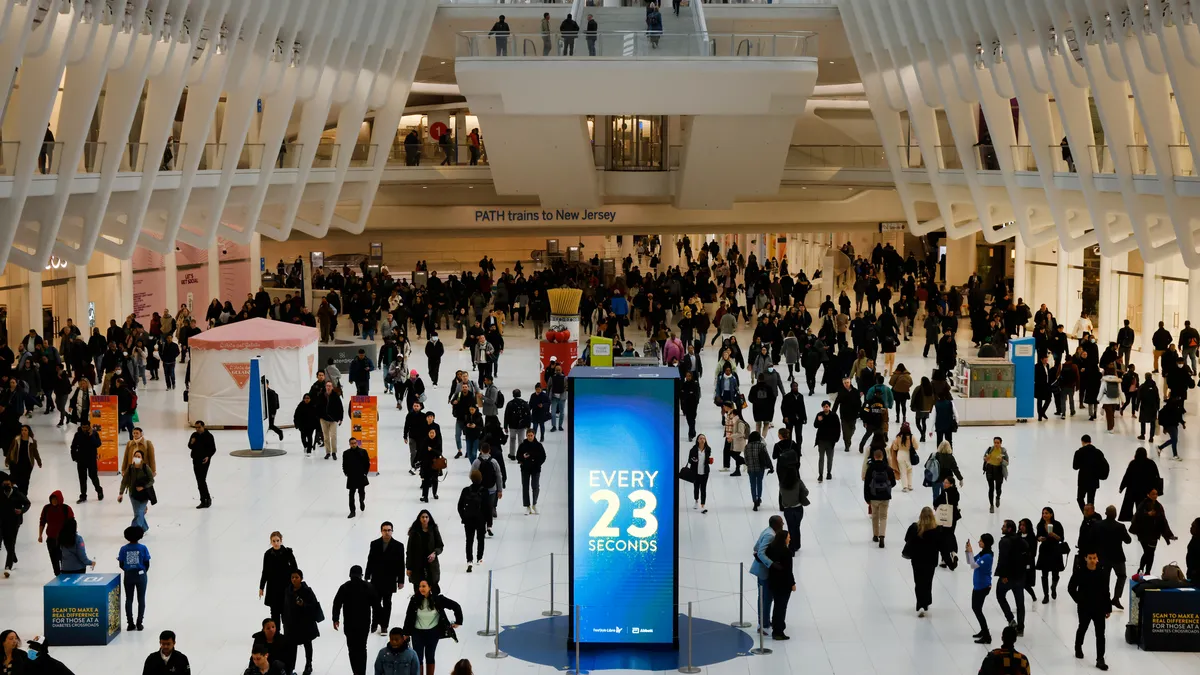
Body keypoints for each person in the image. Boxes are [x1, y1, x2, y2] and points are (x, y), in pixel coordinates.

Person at [402, 579, 463, 675]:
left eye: (423, 586)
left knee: (430, 656)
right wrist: (406, 633)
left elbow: (456, 606)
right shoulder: (414, 599)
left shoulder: (438, 599)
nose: (421, 589)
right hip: (417, 633)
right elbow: (409, 616)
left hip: (433, 633)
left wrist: (458, 621)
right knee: (418, 657)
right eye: (420, 586)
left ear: (430, 587)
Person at [333, 565, 379, 675]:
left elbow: (337, 603)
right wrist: (374, 623)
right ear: (361, 575)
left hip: (349, 625)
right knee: (362, 649)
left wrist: (335, 619)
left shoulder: (344, 587)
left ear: (350, 575)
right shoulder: (368, 587)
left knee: (352, 650)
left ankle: (356, 672)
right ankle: (361, 672)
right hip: (364, 624)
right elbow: (376, 607)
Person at [1068, 551, 1110, 670]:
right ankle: (1078, 646)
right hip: (1085, 607)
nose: (1092, 560)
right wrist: (1079, 600)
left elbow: (1106, 591)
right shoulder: (1079, 572)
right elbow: (1071, 588)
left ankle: (1100, 659)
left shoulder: (1102, 573)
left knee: (1100, 634)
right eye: (1090, 558)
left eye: (1094, 558)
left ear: (1097, 559)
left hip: (1099, 607)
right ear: (1085, 558)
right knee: (1083, 627)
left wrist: (1108, 608)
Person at [365, 522, 406, 636]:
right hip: (376, 579)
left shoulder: (398, 545)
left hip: (390, 579)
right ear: (381, 531)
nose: (387, 532)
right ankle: (374, 623)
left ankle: (384, 626)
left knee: (387, 603)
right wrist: (367, 575)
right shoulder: (374, 544)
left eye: (389, 530)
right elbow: (370, 560)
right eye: (385, 530)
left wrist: (401, 580)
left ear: (392, 531)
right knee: (375, 602)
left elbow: (401, 564)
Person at [902, 506, 942, 617]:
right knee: (928, 582)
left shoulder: (914, 528)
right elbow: (941, 544)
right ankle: (926, 602)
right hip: (931, 560)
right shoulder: (937, 530)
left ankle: (920, 602)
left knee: (918, 582)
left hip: (917, 560)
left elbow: (906, 539)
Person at [283, 570, 322, 675]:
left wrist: (303, 605)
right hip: (291, 623)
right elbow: (285, 607)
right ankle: (290, 667)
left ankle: (308, 664)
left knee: (307, 644)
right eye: (292, 577)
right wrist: (285, 621)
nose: (294, 579)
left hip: (305, 623)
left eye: (296, 577)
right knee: (292, 646)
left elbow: (314, 606)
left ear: (301, 578)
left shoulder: (307, 591)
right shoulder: (288, 591)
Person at [1130, 489, 1177, 574]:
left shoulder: (1159, 506)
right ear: (1148, 494)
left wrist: (1169, 535)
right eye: (1153, 494)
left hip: (1154, 534)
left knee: (1150, 553)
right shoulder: (1143, 504)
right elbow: (1138, 516)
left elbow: (1163, 521)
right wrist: (1147, 514)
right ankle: (1143, 569)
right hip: (1143, 533)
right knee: (1148, 552)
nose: (1155, 496)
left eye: (1156, 494)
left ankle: (1146, 571)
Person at [749, 516, 783, 633]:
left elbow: (755, 548)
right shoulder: (770, 535)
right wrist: (772, 564)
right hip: (764, 572)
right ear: (776, 524)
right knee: (766, 598)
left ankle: (764, 621)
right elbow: (760, 553)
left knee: (764, 597)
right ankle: (763, 624)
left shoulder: (767, 530)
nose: (783, 525)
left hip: (763, 571)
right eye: (781, 523)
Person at [994, 519, 1027, 635]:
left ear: (1009, 529)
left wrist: (1002, 575)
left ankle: (1011, 620)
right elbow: (1027, 552)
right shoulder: (1021, 540)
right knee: (1020, 603)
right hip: (1019, 576)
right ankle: (1021, 627)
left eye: (1003, 526)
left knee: (1000, 595)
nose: (1001, 528)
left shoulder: (1004, 542)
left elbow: (1002, 559)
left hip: (1007, 577)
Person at [258, 531, 299, 626]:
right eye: (273, 541)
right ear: (270, 541)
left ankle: (287, 636)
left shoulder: (288, 553)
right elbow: (265, 572)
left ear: (281, 541)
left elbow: (295, 569)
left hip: (286, 587)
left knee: (287, 613)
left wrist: (296, 584)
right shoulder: (267, 554)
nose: (276, 543)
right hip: (273, 588)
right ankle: (276, 636)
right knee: (274, 613)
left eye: (277, 540)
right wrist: (261, 587)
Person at [117, 525, 151, 630]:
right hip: (141, 575)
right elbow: (147, 563)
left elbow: (121, 564)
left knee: (129, 599)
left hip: (128, 575)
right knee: (141, 599)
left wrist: (128, 570)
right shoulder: (143, 548)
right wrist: (143, 571)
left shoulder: (123, 549)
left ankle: (130, 623)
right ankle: (139, 622)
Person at [775, 438, 807, 551]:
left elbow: (782, 495)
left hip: (788, 508)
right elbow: (806, 492)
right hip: (798, 508)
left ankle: (791, 544)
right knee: (797, 527)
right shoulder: (798, 482)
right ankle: (797, 544)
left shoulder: (782, 484)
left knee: (790, 527)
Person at [1097, 505, 1131, 609]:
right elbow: (1128, 540)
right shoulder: (1120, 526)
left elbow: (1093, 538)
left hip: (1103, 557)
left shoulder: (1098, 525)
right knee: (1121, 576)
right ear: (1115, 514)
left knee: (1104, 579)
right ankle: (1116, 598)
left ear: (1105, 513)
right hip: (1118, 557)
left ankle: (1104, 600)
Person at [862, 446, 895, 547]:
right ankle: (882, 536)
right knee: (883, 517)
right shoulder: (888, 468)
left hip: (873, 496)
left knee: (875, 516)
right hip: (885, 496)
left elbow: (866, 484)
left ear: (874, 457)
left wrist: (867, 498)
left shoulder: (870, 469)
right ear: (882, 456)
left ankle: (875, 535)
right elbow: (893, 483)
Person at [966, 533, 995, 643]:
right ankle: (984, 630)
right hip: (978, 585)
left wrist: (970, 551)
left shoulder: (987, 556)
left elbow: (973, 565)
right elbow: (970, 561)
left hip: (982, 586)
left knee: (977, 609)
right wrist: (968, 551)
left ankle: (987, 635)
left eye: (981, 541)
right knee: (977, 608)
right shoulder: (983, 553)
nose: (979, 542)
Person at [1117, 447, 1161, 522]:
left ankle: (1133, 521)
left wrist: (1122, 487)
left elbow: (1127, 476)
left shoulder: (1133, 463)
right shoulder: (1151, 463)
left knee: (1130, 507)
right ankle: (1141, 521)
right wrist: (1157, 489)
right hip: (1146, 491)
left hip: (1133, 490)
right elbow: (1156, 477)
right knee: (1143, 507)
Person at [766, 532, 795, 640]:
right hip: (784, 584)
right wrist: (793, 583)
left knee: (777, 606)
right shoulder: (786, 552)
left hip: (773, 582)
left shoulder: (770, 549)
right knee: (781, 608)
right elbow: (788, 571)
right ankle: (778, 631)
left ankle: (776, 627)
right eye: (788, 537)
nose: (790, 539)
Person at [470, 444, 505, 535]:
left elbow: (471, 475)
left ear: (481, 451)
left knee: (480, 508)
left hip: (479, 489)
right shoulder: (494, 462)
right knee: (490, 507)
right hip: (491, 488)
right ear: (489, 451)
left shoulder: (476, 462)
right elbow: (498, 476)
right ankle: (489, 526)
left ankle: (481, 526)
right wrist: (500, 490)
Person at [457, 471, 489, 571]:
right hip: (480, 520)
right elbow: (487, 508)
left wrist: (463, 517)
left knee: (469, 540)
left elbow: (459, 506)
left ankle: (469, 560)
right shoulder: (484, 491)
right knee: (480, 539)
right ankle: (479, 558)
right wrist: (488, 522)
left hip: (468, 520)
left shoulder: (466, 490)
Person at [406, 510, 444, 592]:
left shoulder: (433, 529)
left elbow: (440, 545)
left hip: (431, 564)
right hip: (417, 565)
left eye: (426, 517)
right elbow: (409, 551)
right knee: (418, 590)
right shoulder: (414, 532)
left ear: (429, 518)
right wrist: (409, 567)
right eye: (422, 517)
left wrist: (435, 553)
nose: (424, 519)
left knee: (434, 589)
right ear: (419, 518)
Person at [36, 491, 73, 575]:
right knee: (54, 559)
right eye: (52, 499)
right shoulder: (46, 508)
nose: (54, 501)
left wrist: (71, 535)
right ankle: (57, 575)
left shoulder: (66, 509)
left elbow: (72, 523)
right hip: (51, 539)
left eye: (56, 499)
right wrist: (40, 535)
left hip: (63, 539)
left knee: (64, 558)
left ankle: (65, 575)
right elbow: (42, 521)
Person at [117, 450, 154, 532]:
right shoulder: (130, 468)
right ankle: (144, 528)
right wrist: (121, 493)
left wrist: (143, 487)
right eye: (135, 456)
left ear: (142, 459)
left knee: (139, 512)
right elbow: (124, 481)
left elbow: (151, 481)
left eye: (139, 457)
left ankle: (134, 531)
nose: (136, 458)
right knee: (137, 513)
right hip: (133, 494)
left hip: (144, 494)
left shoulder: (146, 468)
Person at [1035, 507, 1066, 603]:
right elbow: (1037, 536)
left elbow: (1061, 538)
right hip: (1044, 551)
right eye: (1043, 513)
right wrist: (1040, 538)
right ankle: (1046, 595)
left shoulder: (1057, 524)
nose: (1044, 515)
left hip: (1055, 550)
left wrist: (1053, 535)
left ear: (1051, 514)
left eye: (1046, 513)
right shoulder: (1040, 525)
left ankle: (1053, 587)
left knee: (1055, 573)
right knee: (1044, 574)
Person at [1073, 435, 1108, 513]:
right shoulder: (1098, 452)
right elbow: (1104, 465)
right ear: (1090, 442)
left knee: (1080, 498)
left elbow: (1075, 467)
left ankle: (1086, 515)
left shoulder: (1079, 452)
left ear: (1082, 442)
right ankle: (1091, 516)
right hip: (1094, 480)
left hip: (1083, 480)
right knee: (1091, 501)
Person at [70, 421, 103, 502]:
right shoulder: (78, 435)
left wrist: (91, 435)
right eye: (83, 427)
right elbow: (73, 447)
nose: (84, 429)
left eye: (86, 427)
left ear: (89, 427)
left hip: (91, 460)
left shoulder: (94, 434)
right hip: (81, 460)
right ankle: (83, 495)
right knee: (82, 478)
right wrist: (74, 457)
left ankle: (99, 491)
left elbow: (98, 444)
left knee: (93, 476)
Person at [5, 425, 41, 496]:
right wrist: (7, 460)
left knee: (25, 481)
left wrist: (39, 461)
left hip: (27, 465)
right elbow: (10, 449)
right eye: (22, 430)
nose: (23, 432)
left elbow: (35, 452)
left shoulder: (32, 442)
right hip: (16, 464)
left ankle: (24, 495)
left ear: (28, 431)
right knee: (17, 480)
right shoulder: (16, 440)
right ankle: (16, 494)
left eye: (25, 430)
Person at [516, 429, 545, 515]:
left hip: (536, 469)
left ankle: (534, 504)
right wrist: (522, 460)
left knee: (535, 486)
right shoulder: (522, 445)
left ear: (534, 435)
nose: (530, 437)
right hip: (525, 469)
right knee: (525, 487)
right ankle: (527, 506)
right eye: (528, 435)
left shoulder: (539, 446)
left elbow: (543, 456)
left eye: (531, 435)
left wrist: (538, 463)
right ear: (526, 435)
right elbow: (518, 456)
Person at [189, 420, 216, 509]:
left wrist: (208, 456)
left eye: (199, 427)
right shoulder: (194, 435)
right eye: (196, 427)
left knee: (202, 480)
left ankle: (206, 499)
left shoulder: (209, 436)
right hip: (195, 460)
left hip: (204, 461)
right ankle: (204, 499)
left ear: (203, 426)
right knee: (199, 480)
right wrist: (192, 442)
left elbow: (213, 449)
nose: (197, 429)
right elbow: (190, 446)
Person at [743, 431, 774, 511]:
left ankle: (754, 500)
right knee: (759, 482)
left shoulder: (747, 446)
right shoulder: (761, 445)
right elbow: (766, 456)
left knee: (752, 484)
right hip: (760, 468)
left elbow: (745, 459)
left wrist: (749, 464)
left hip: (751, 469)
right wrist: (770, 467)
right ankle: (759, 498)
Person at [343, 437, 370, 518]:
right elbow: (344, 464)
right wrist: (346, 473)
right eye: (352, 443)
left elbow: (367, 463)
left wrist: (365, 473)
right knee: (351, 494)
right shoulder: (346, 453)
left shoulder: (363, 452)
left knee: (361, 492)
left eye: (355, 443)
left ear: (357, 443)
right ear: (349, 444)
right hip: (351, 476)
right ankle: (352, 511)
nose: (353, 444)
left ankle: (361, 501)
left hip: (361, 475)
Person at [813, 400, 839, 482]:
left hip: (830, 441)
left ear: (829, 407)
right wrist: (818, 420)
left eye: (827, 406)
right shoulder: (819, 415)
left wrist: (836, 439)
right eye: (824, 407)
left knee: (830, 458)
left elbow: (838, 428)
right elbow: (815, 425)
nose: (825, 408)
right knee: (821, 458)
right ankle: (820, 474)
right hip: (821, 440)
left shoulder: (834, 416)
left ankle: (829, 472)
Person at [686, 434, 713, 513]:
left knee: (703, 488)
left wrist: (709, 461)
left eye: (704, 438)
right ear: (697, 440)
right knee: (696, 487)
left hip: (705, 472)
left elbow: (707, 460)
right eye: (701, 438)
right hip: (695, 472)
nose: (702, 440)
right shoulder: (693, 450)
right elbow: (689, 460)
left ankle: (703, 504)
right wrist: (693, 460)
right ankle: (696, 501)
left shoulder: (708, 449)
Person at [318, 381, 344, 460]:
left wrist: (341, 418)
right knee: (325, 437)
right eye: (327, 386)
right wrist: (319, 416)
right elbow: (317, 406)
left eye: (330, 386)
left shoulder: (335, 396)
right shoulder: (321, 396)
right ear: (325, 387)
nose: (328, 387)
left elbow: (340, 407)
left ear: (332, 387)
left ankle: (334, 452)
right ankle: (328, 452)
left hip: (333, 419)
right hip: (324, 419)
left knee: (333, 436)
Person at [982, 437, 1008, 513]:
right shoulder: (990, 449)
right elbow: (984, 457)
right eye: (995, 442)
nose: (996, 444)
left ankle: (998, 497)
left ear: (1001, 443)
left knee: (998, 488)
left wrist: (1002, 460)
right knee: (991, 488)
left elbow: (1007, 463)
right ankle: (991, 505)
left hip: (999, 471)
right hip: (990, 470)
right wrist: (986, 459)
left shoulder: (1003, 451)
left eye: (998, 443)